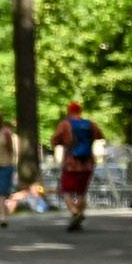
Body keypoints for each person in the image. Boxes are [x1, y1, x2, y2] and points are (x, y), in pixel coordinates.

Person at [53, 99, 101, 232]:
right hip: (87, 163)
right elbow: (99, 135)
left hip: (70, 163)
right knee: (81, 192)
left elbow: (55, 140)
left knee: (66, 190)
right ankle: (78, 219)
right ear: (80, 111)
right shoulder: (90, 124)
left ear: (69, 111)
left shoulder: (65, 124)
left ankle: (75, 212)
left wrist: (64, 142)